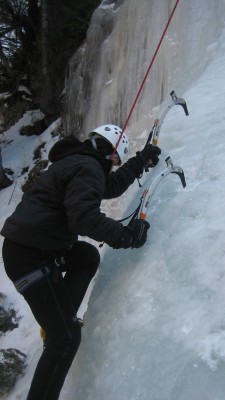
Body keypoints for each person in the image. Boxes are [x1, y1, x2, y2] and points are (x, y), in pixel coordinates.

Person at [1, 124, 161, 400]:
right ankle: (59, 329)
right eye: (117, 161)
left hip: (33, 247)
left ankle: (62, 317)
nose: (114, 167)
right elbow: (83, 218)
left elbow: (107, 187)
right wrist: (125, 236)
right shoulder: (86, 167)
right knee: (65, 340)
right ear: (109, 155)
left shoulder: (78, 162)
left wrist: (139, 161)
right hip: (30, 256)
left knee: (86, 256)